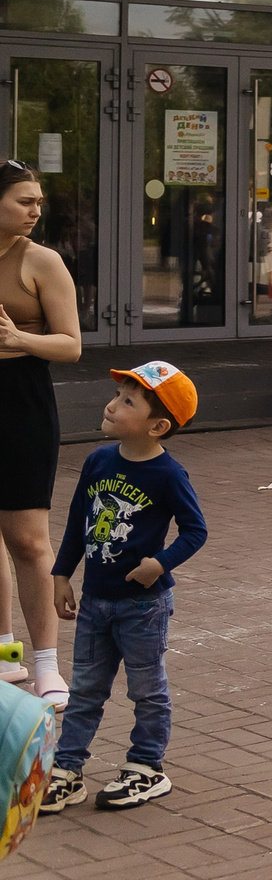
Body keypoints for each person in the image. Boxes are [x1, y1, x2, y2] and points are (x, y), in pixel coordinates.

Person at [39, 361, 204, 815]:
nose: (112, 405)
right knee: (86, 688)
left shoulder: (168, 475)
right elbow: (78, 523)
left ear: (158, 426)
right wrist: (60, 575)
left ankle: (146, 768)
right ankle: (66, 772)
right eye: (116, 395)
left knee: (147, 690)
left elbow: (195, 530)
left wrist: (160, 563)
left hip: (144, 606)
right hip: (95, 602)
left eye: (127, 401)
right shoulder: (98, 461)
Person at [0, 161, 81, 703]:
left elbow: (71, 344)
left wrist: (18, 338)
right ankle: (7, 656)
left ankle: (48, 665)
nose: (35, 211)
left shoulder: (41, 261)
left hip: (21, 402)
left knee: (28, 540)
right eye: (24, 201)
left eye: (38, 202)